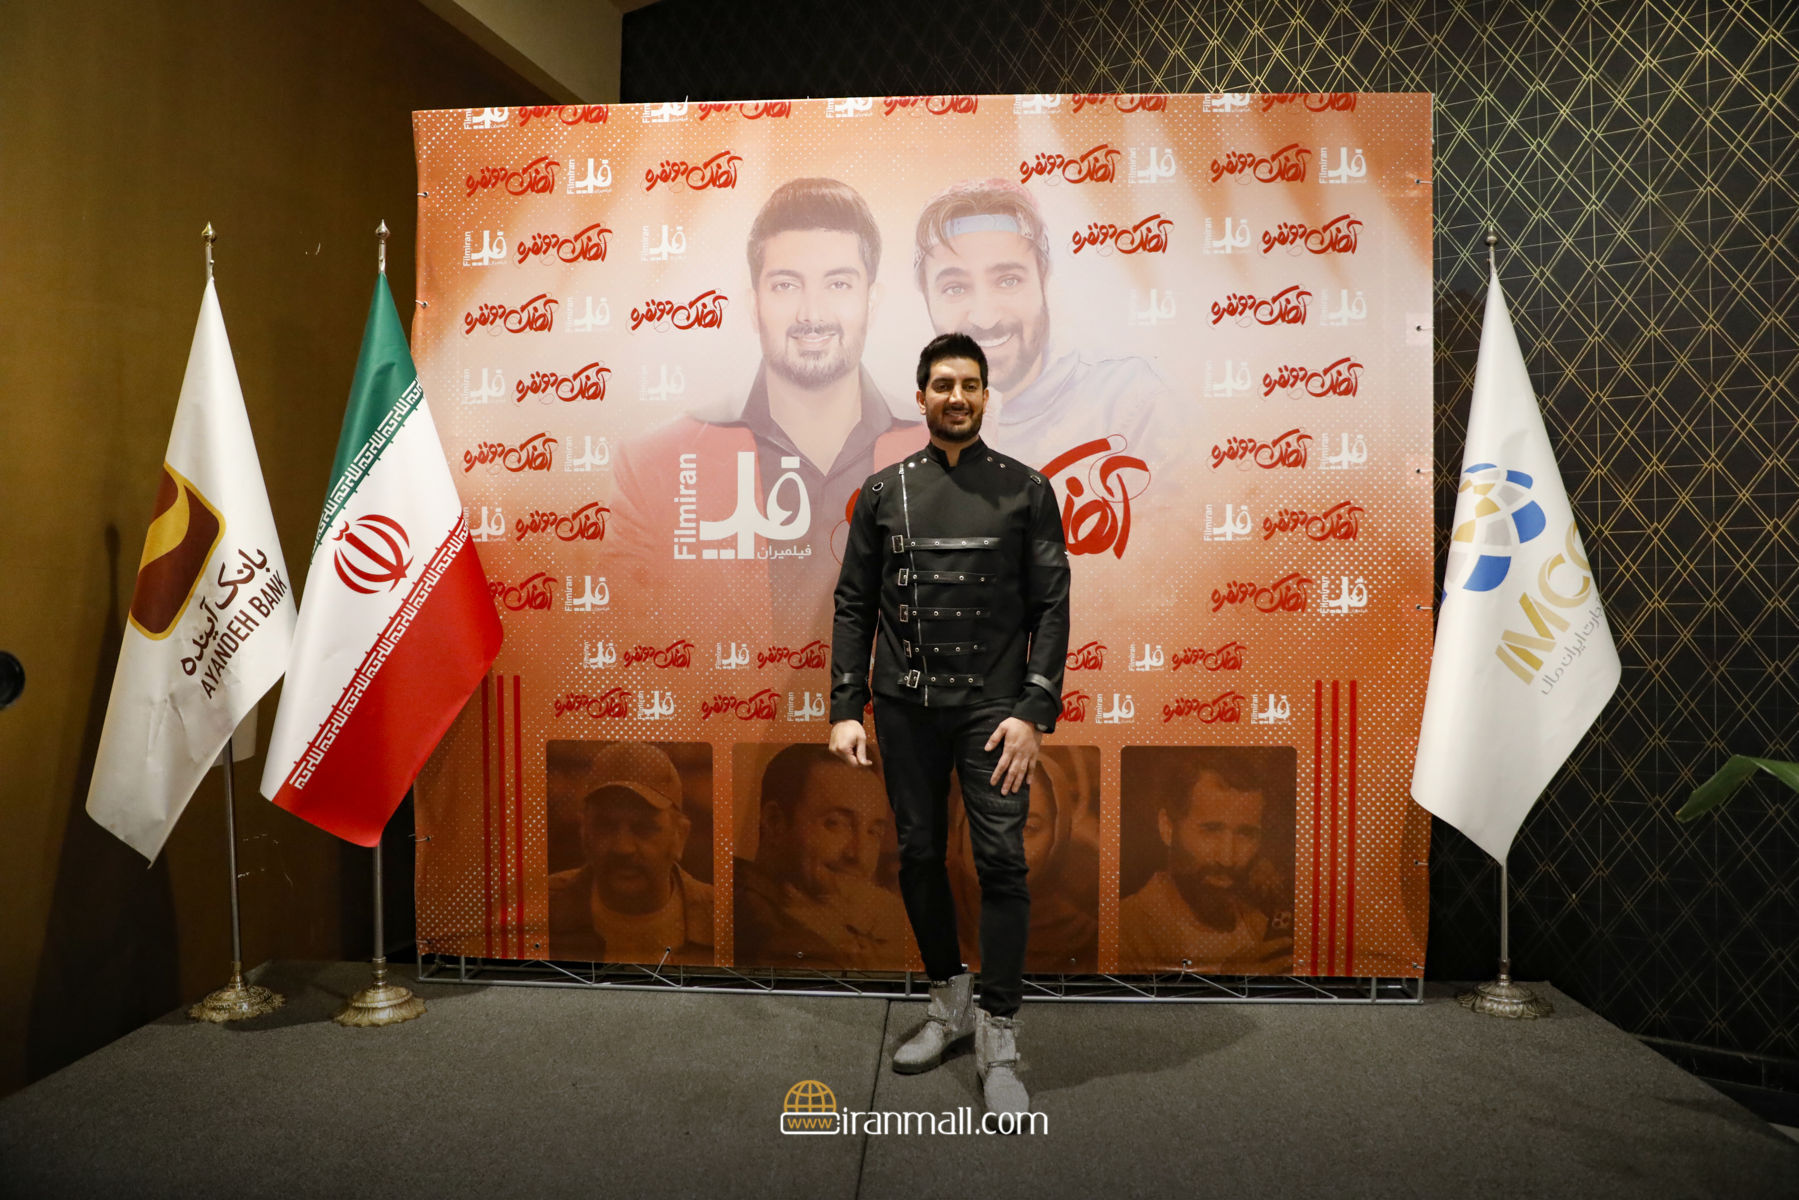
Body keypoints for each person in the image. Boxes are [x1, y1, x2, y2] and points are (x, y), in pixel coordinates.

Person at [829, 331, 1072, 1118]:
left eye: (969, 385)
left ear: (986, 395)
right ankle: (947, 1002)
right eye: (942, 385)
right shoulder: (883, 491)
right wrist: (845, 706)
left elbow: (1051, 606)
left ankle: (999, 1035)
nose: (956, 397)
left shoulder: (1027, 490)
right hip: (904, 708)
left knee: (1001, 863)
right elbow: (853, 605)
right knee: (916, 854)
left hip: (995, 714)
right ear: (921, 396)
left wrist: (1034, 710)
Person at [608, 177, 921, 638]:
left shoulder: (944, 456)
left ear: (872, 303)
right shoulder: (652, 468)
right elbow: (626, 650)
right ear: (753, 305)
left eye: (838, 283)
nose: (812, 314)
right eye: (786, 285)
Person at [911, 178, 1179, 478]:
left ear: (1044, 281)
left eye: (1008, 281)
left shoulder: (1127, 403)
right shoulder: (903, 438)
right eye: (955, 288)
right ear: (926, 298)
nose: (985, 317)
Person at [732, 743, 911, 970]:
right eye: (836, 823)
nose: (859, 856)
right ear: (774, 822)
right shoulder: (779, 942)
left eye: (873, 832)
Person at [1119, 760, 1294, 973]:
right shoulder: (1121, 929)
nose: (1227, 858)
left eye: (1246, 834)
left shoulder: (1262, 925)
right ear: (1167, 827)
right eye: (1211, 830)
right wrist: (1226, 985)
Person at [546, 742, 714, 964]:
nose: (622, 847)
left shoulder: (724, 919)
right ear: (584, 833)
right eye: (605, 826)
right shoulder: (541, 908)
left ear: (679, 836)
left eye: (644, 828)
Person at [948, 751, 1098, 973]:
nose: (1003, 844)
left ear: (1056, 840)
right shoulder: (925, 908)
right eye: (987, 821)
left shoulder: (1083, 939)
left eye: (1029, 828)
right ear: (961, 826)